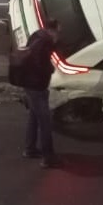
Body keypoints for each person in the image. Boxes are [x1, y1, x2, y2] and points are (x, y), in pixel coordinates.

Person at [21, 19, 61, 168]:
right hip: (36, 86)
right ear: (53, 30)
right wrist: (50, 69)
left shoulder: (37, 35)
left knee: (34, 117)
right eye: (58, 31)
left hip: (29, 84)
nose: (59, 34)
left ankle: (30, 149)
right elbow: (40, 64)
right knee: (45, 121)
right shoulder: (45, 42)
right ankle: (48, 157)